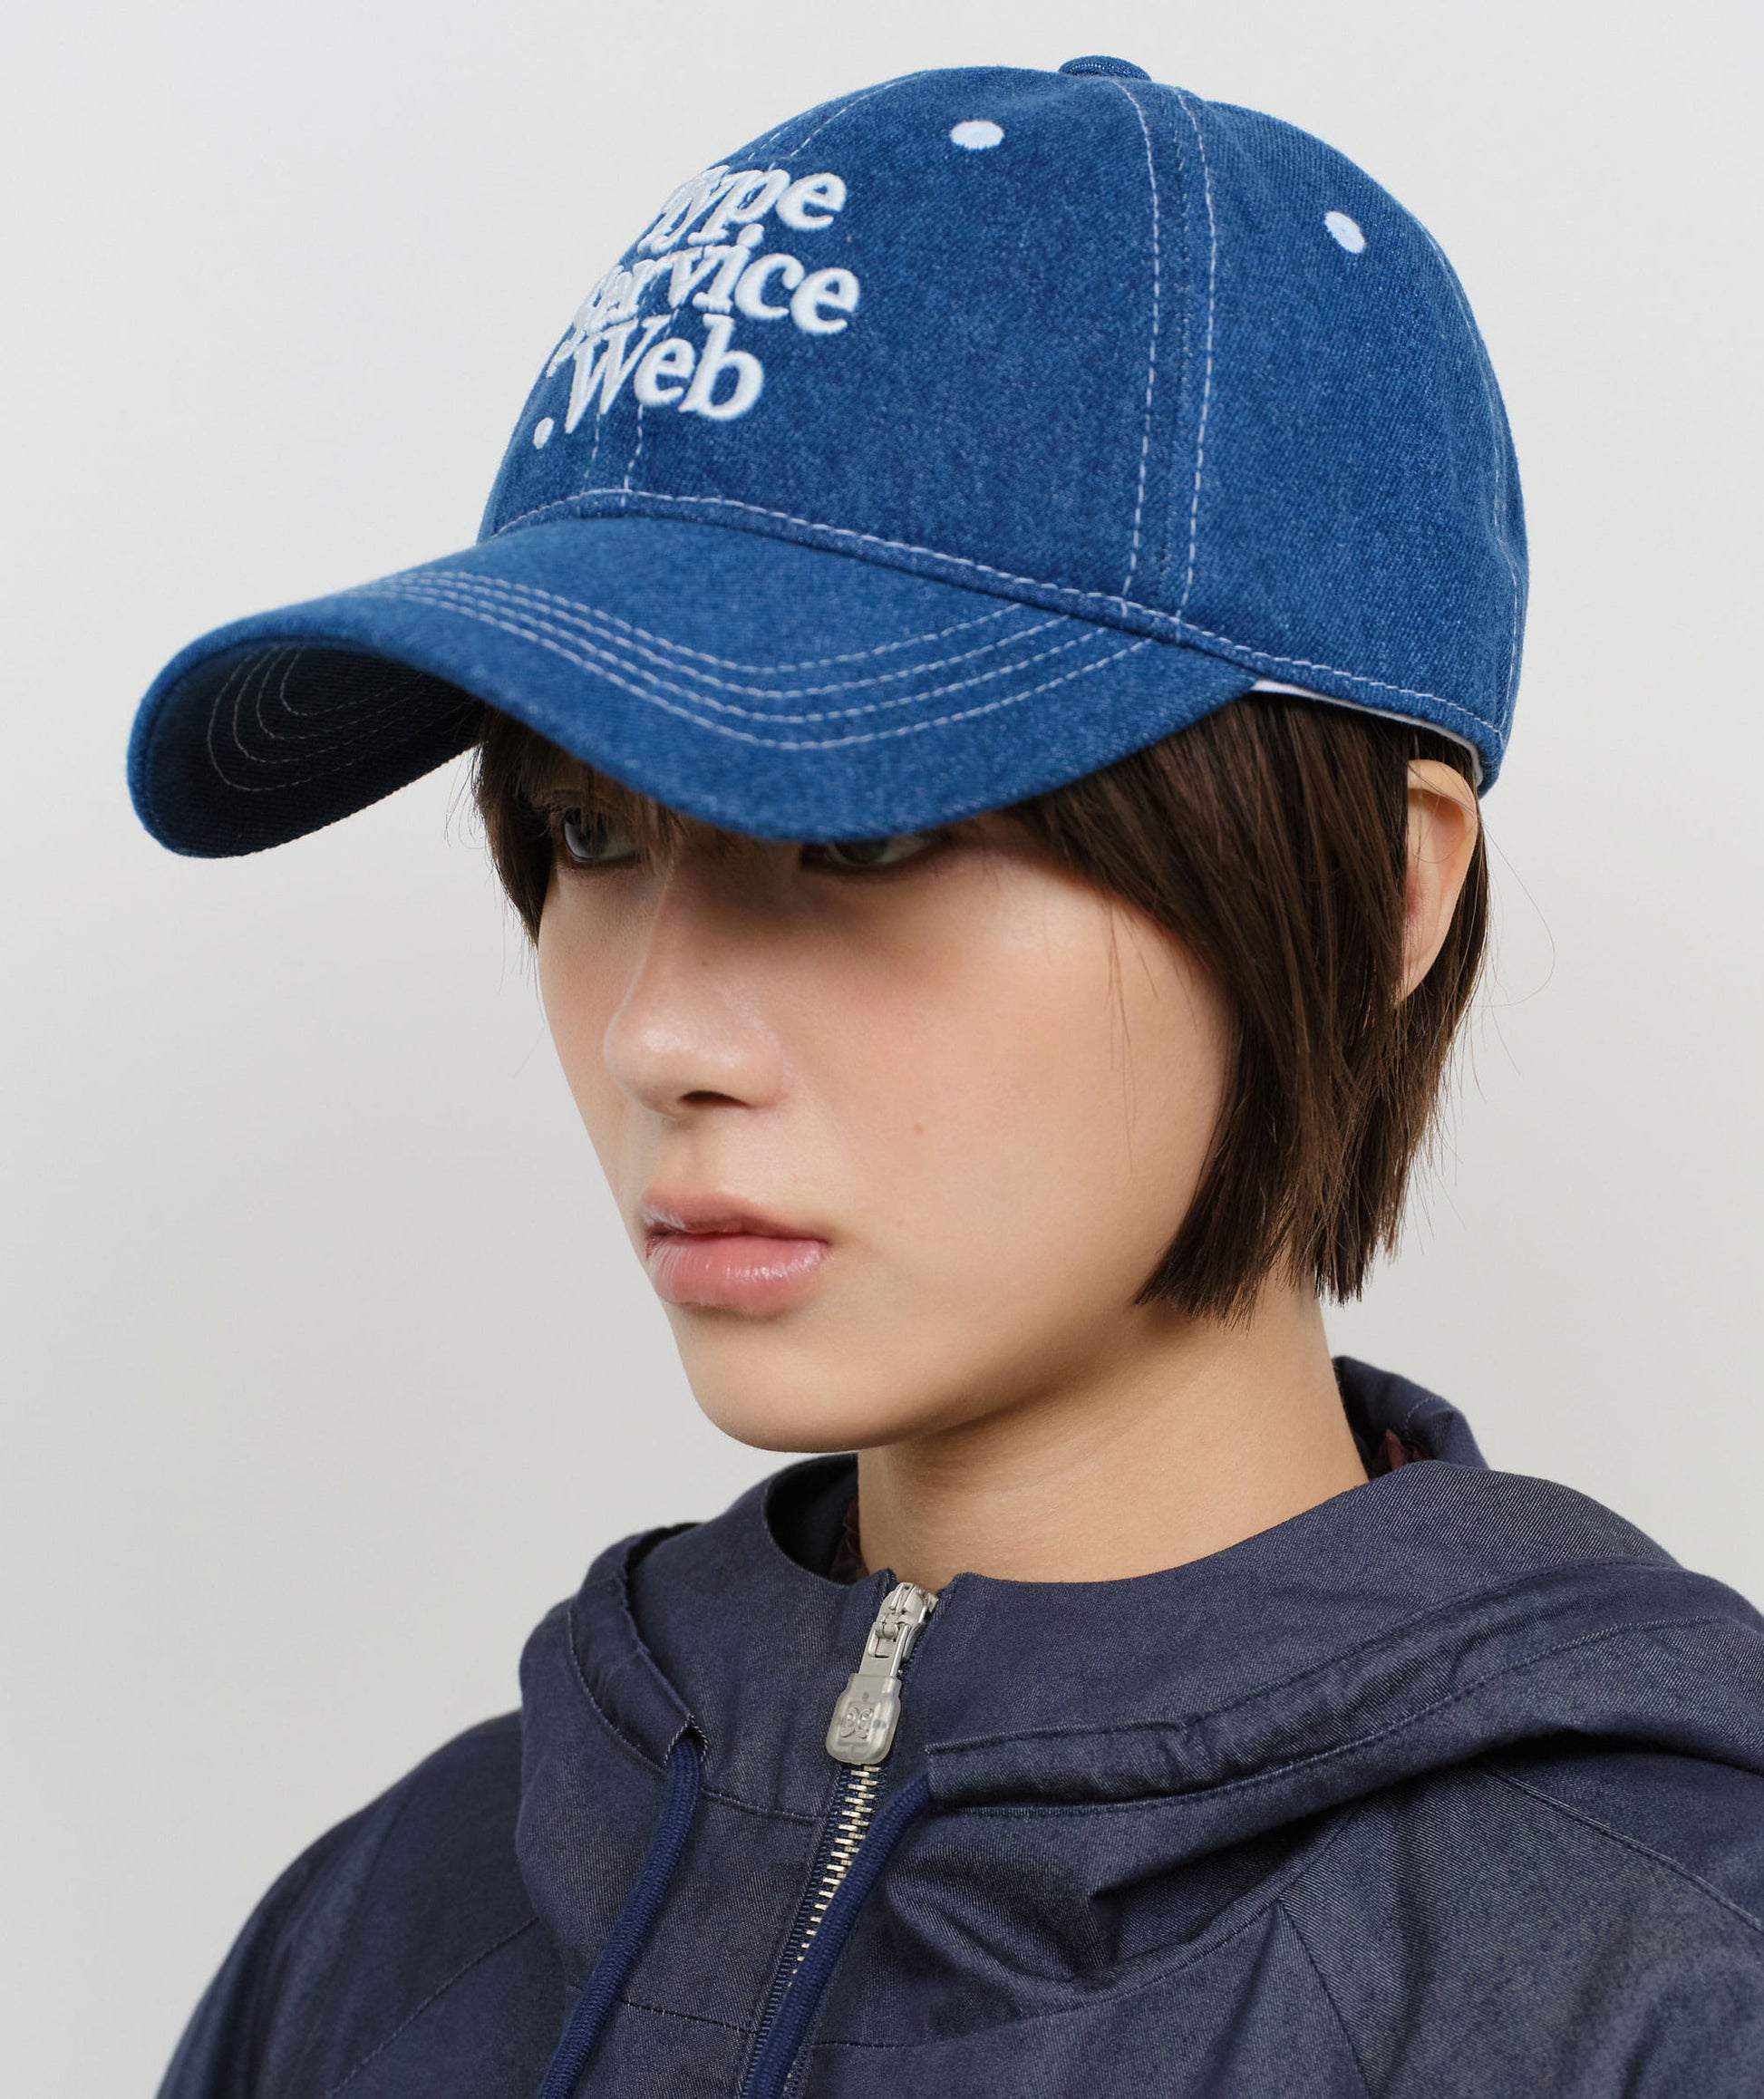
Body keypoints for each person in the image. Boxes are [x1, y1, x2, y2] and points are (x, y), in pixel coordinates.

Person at [128, 56, 1764, 2099]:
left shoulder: (1663, 1997)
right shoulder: (385, 1930)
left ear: (1378, 892)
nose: (659, 1035)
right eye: (587, 831)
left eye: (871, 834)